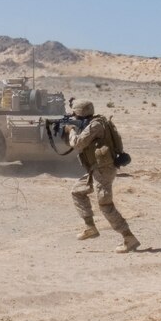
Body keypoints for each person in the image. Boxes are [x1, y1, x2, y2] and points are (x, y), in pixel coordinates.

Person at [65, 99, 140, 253]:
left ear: (80, 114)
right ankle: (90, 227)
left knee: (105, 204)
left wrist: (71, 131)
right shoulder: (96, 122)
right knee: (77, 192)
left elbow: (78, 143)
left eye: (76, 116)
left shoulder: (95, 125)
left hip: (104, 170)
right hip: (96, 168)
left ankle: (129, 238)